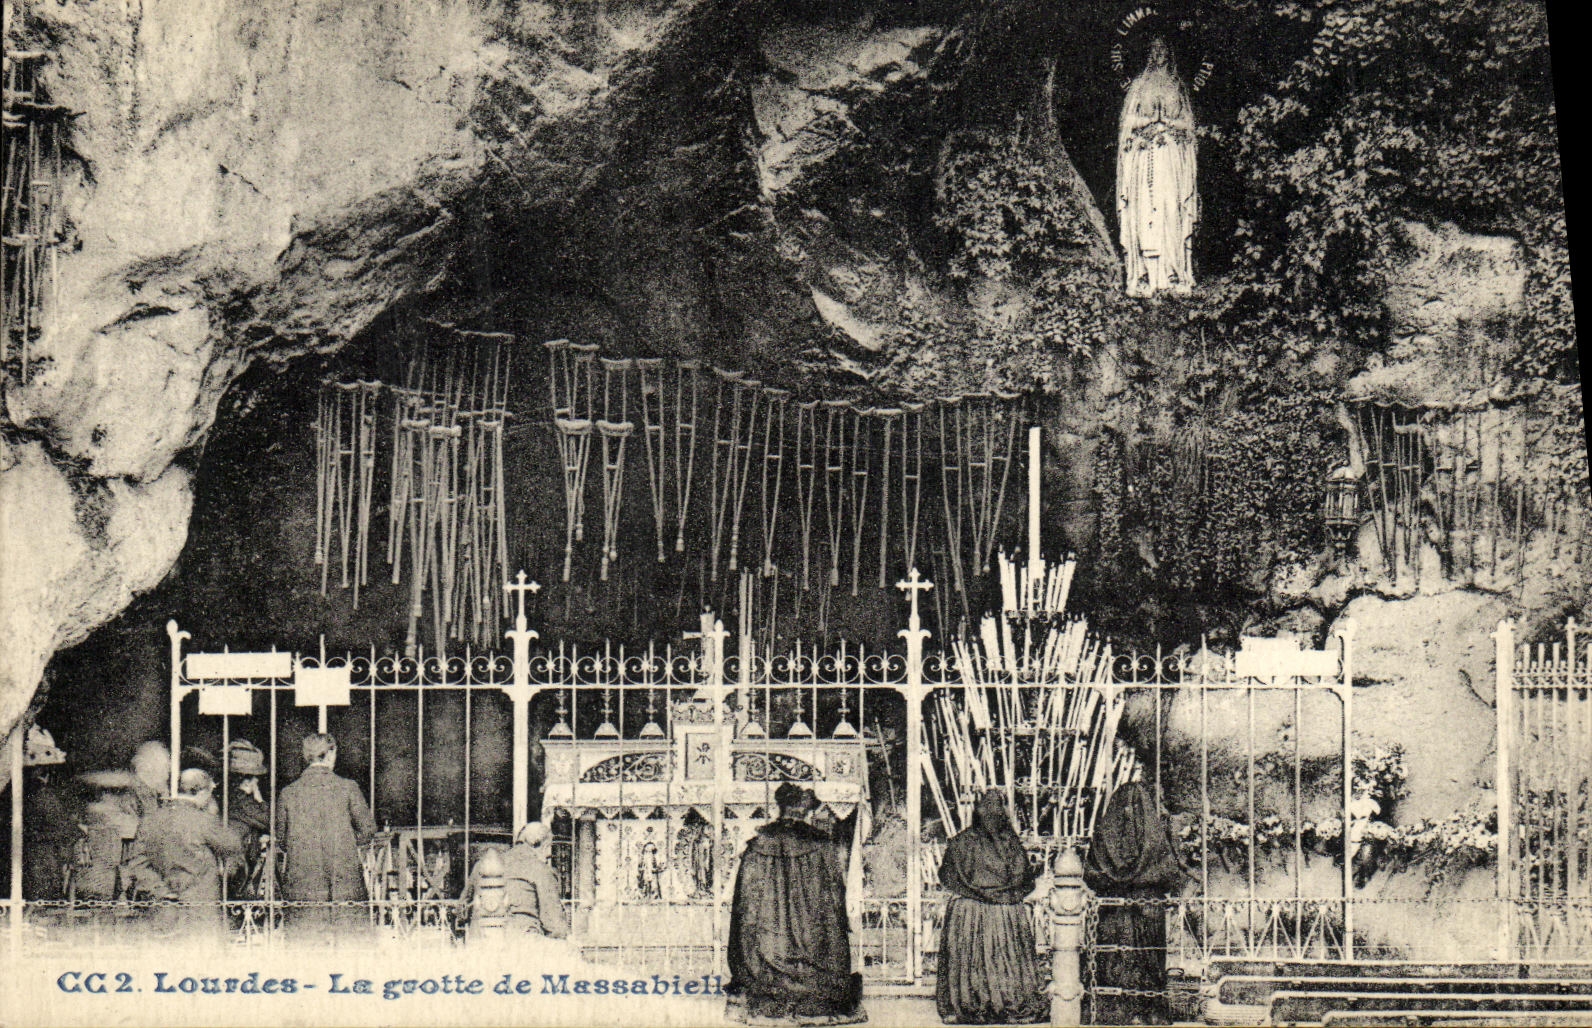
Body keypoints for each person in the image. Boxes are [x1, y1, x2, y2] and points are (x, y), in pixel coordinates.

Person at [727, 782, 864, 1026]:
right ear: (802, 807)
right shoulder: (822, 844)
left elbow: (745, 901)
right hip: (811, 934)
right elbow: (833, 895)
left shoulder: (758, 845)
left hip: (769, 941)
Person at [935, 790, 1049, 1025]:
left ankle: (971, 1001)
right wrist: (1001, 894)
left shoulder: (960, 841)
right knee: (1003, 958)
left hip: (968, 912)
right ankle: (1004, 1000)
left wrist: (976, 891)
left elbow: (947, 875)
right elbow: (1024, 879)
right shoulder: (1010, 843)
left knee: (971, 961)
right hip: (1005, 913)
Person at [1084, 777, 1186, 1026]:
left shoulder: (1107, 838)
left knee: (1132, 961)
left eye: (1136, 809)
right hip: (1138, 907)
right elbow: (1168, 872)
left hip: (1122, 908)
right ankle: (1131, 1010)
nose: (1130, 815)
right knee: (1127, 961)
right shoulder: (1151, 840)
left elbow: (1093, 871)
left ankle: (1131, 1009)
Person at [1117, 36, 1198, 298]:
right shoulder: (1139, 85)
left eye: (1164, 49)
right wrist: (1149, 121)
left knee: (1170, 209)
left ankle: (1173, 275)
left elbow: (1188, 124)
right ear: (1148, 54)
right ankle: (1145, 276)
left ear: (1170, 54)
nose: (1159, 54)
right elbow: (1127, 121)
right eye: (1154, 49)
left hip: (1171, 158)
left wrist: (1170, 125)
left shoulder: (1177, 86)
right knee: (1145, 210)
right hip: (1146, 156)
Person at [275, 733, 375, 934]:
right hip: (344, 883)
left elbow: (281, 839)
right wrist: (345, 842)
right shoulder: (348, 788)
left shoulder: (288, 793)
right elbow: (368, 830)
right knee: (350, 948)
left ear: (306, 757)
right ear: (331, 753)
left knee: (305, 951)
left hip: (303, 887)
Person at [128, 768, 243, 938]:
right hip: (201, 912)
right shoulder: (202, 820)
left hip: (163, 910)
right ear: (201, 792)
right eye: (209, 793)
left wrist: (160, 890)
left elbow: (136, 864)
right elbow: (233, 845)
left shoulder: (150, 820)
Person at [460, 821, 568, 941]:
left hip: (480, 941)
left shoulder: (482, 865)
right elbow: (555, 925)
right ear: (545, 846)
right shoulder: (541, 869)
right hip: (520, 944)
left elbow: (461, 910)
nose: (546, 859)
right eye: (548, 856)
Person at [224, 739, 272, 898]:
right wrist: (259, 798)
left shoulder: (230, 797)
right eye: (254, 777)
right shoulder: (242, 801)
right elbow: (269, 820)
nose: (257, 781)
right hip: (237, 866)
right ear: (244, 779)